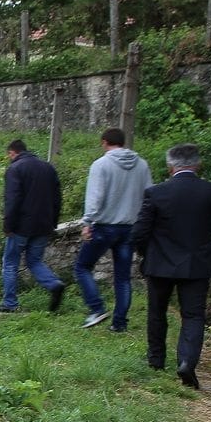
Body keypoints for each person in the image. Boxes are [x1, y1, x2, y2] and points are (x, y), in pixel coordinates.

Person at [134, 142, 211, 388]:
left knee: (157, 312)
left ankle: (156, 360)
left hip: (160, 262)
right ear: (198, 164)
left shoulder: (156, 193)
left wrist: (147, 254)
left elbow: (141, 231)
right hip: (197, 263)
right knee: (194, 315)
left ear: (169, 166)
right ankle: (186, 362)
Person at [74, 127, 153, 331]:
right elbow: (149, 196)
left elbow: (95, 197)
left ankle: (97, 308)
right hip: (130, 227)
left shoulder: (101, 165)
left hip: (104, 226)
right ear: (123, 142)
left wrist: (87, 223)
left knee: (82, 267)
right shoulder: (142, 165)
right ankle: (119, 323)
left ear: (104, 142)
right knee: (123, 277)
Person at [0, 138, 65, 313]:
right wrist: (53, 222)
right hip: (43, 224)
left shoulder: (15, 169)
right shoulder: (48, 168)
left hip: (21, 225)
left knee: (10, 263)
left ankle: (10, 303)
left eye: (9, 155)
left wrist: (8, 225)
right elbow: (57, 198)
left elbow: (13, 199)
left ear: (12, 152)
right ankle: (54, 284)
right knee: (34, 261)